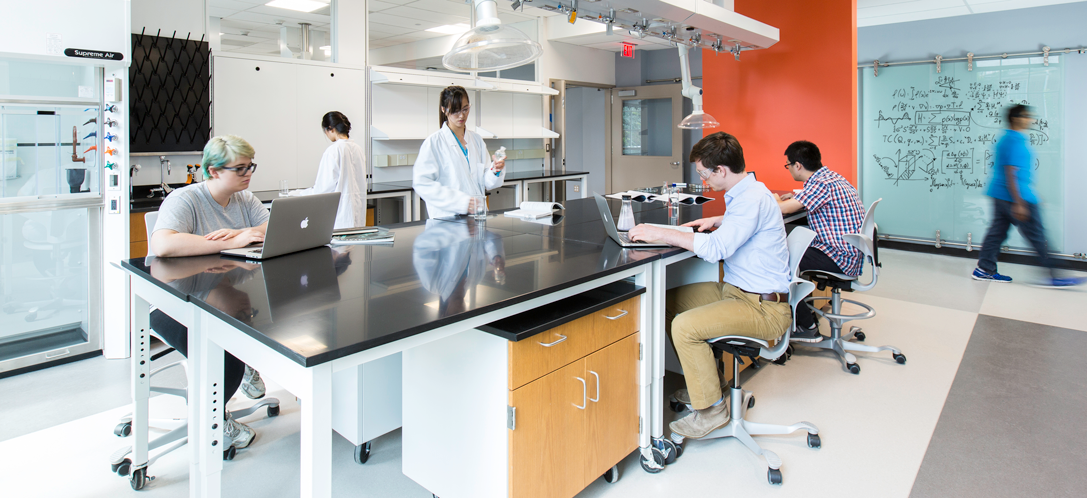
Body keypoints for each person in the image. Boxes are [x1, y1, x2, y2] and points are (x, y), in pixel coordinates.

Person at [628, 132, 791, 439]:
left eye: (705, 174)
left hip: (763, 308)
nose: (704, 180)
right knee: (666, 304)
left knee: (685, 326)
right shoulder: (748, 193)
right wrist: (720, 221)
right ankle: (710, 387)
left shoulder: (752, 198)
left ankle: (712, 410)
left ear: (721, 171)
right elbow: (741, 225)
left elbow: (717, 250)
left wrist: (662, 233)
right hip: (739, 292)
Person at [147, 135, 271, 449]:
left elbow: (269, 228)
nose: (248, 174)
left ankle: (245, 363)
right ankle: (215, 418)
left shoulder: (245, 198)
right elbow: (162, 244)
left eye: (250, 166)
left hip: (228, 296)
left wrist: (248, 233)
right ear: (214, 171)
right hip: (178, 303)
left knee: (272, 318)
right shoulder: (186, 199)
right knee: (226, 356)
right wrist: (231, 242)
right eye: (240, 168)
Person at [972, 105, 1084, 287]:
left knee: (997, 233)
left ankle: (984, 269)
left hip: (1001, 194)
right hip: (1014, 197)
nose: (1031, 119)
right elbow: (1011, 172)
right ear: (1016, 118)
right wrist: (1019, 203)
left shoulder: (1007, 138)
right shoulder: (1015, 140)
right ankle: (1055, 274)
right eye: (1027, 116)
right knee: (1037, 236)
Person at [773, 140, 865, 341]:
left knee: (779, 259)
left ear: (798, 165)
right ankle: (804, 313)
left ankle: (806, 325)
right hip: (850, 253)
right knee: (793, 250)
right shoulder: (830, 178)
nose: (789, 169)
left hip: (839, 257)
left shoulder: (820, 184)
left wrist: (778, 199)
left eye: (788, 165)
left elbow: (782, 209)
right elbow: (811, 199)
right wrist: (795, 197)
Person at [413, 86, 506, 219]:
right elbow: (422, 183)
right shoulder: (434, 143)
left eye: (465, 109)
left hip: (477, 218)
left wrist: (495, 170)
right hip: (448, 220)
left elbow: (486, 181)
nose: (462, 115)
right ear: (444, 109)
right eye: (455, 111)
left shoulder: (476, 140)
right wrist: (460, 202)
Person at [288, 111, 368, 229]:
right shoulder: (358, 149)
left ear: (331, 129)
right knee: (355, 245)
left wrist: (300, 193)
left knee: (339, 247)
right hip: (358, 214)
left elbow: (323, 189)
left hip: (340, 218)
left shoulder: (333, 151)